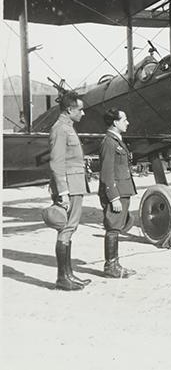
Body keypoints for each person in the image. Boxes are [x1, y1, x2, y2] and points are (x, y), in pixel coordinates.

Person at [48, 90, 92, 291]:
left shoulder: (68, 128)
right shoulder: (60, 129)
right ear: (69, 109)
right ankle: (62, 278)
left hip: (75, 185)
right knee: (66, 229)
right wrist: (63, 192)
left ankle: (68, 274)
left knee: (70, 228)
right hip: (69, 187)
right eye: (80, 110)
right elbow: (57, 162)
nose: (83, 114)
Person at [99, 108, 137, 278]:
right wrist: (113, 197)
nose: (127, 122)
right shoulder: (109, 142)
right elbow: (107, 173)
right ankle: (111, 266)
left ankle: (114, 263)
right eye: (124, 119)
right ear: (115, 122)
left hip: (123, 190)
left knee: (119, 225)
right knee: (113, 228)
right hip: (116, 193)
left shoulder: (116, 141)